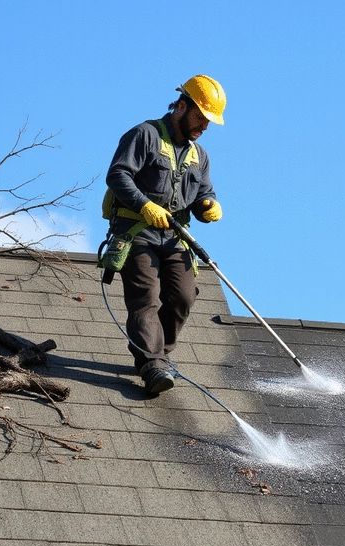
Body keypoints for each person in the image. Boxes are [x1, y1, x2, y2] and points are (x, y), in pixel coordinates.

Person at [104, 74, 226, 395]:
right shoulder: (144, 135)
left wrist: (208, 206)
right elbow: (117, 174)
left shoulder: (200, 156)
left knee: (183, 296)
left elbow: (203, 193)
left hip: (175, 237)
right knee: (146, 297)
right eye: (200, 118)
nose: (204, 126)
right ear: (181, 107)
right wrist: (144, 206)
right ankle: (152, 363)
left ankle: (161, 354)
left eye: (209, 121)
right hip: (137, 231)